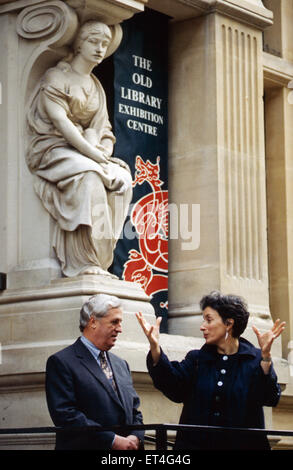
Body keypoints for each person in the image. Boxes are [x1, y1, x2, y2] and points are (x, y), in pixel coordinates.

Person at [26, 21, 132, 277]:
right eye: (94, 42)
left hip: (85, 150)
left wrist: (104, 151)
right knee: (90, 176)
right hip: (51, 149)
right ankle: (83, 261)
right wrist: (94, 155)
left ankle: (101, 258)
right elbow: (62, 123)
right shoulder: (56, 76)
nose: (99, 49)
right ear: (79, 43)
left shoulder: (95, 85)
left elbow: (104, 128)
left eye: (104, 44)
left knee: (123, 180)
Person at [136, 291, 286, 450]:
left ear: (229, 324)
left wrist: (266, 357)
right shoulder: (197, 359)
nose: (202, 327)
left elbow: (270, 398)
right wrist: (155, 348)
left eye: (209, 320)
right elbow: (173, 386)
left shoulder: (254, 360)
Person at [46, 294, 144, 450]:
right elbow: (65, 415)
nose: (120, 329)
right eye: (114, 322)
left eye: (120, 322)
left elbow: (135, 411)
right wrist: (112, 440)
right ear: (93, 322)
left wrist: (135, 437)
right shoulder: (61, 362)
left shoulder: (121, 364)